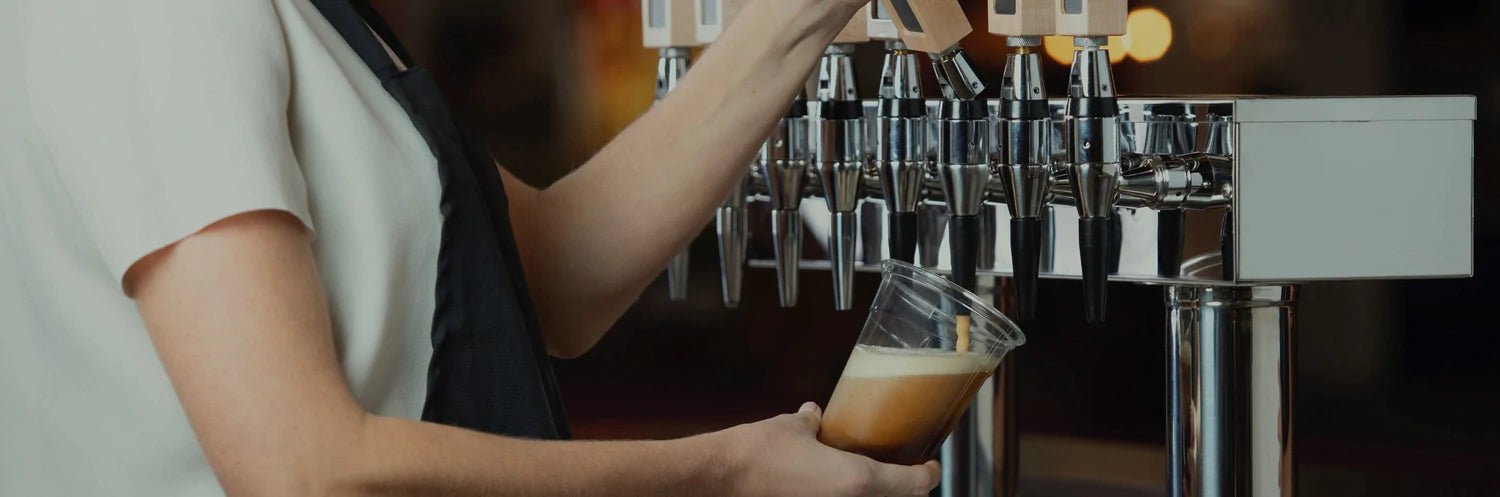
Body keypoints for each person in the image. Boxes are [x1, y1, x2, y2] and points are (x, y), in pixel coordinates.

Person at [0, 0, 940, 495]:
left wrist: (800, 16)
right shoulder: (155, 14)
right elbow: (302, 472)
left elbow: (552, 273)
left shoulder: (307, 17)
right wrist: (723, 476)